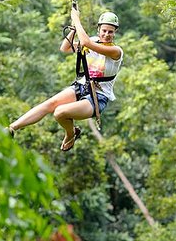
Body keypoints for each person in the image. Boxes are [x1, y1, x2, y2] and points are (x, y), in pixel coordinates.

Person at [8, 9, 123, 151]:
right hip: (82, 86)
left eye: (110, 32)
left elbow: (86, 41)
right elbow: (65, 48)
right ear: (99, 29)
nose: (106, 35)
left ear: (115, 33)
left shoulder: (116, 51)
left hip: (98, 97)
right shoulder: (93, 41)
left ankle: (71, 133)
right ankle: (12, 128)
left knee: (59, 112)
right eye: (104, 30)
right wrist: (74, 29)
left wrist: (76, 18)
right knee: (50, 104)